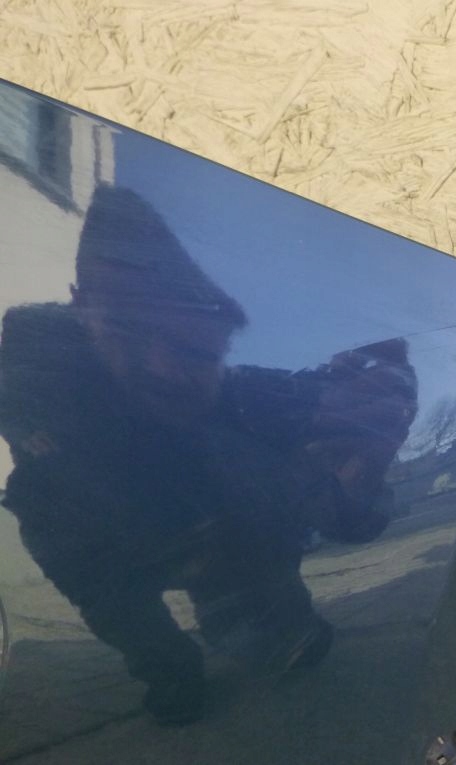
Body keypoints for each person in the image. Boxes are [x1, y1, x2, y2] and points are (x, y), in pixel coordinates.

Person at [0, 186, 332, 725]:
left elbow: (268, 463)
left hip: (185, 501)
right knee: (109, 598)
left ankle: (264, 616)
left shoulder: (221, 374)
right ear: (81, 304)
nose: (158, 363)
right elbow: (9, 396)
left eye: (175, 337)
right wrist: (29, 432)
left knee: (253, 503)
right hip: (82, 516)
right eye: (125, 323)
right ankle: (169, 668)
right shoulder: (32, 353)